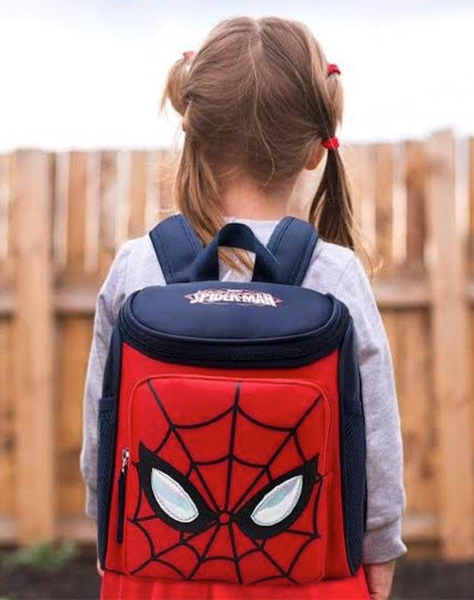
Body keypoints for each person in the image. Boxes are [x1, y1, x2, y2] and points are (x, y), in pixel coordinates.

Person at [80, 15, 406, 600]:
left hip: (157, 562)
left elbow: (101, 430)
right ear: (314, 149)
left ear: (192, 130)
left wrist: (110, 535)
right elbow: (374, 433)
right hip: (311, 571)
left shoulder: (137, 266)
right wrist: (379, 547)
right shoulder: (332, 274)